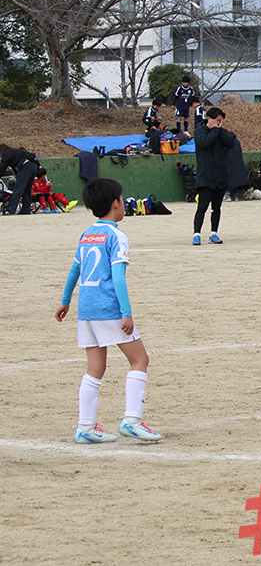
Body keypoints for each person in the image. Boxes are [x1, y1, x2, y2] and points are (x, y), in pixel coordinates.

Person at [54, 177, 162, 443]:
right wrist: (126, 312)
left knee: (95, 368)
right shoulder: (116, 235)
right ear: (115, 203)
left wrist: (66, 300)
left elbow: (75, 269)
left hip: (86, 308)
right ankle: (132, 420)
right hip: (108, 308)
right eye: (122, 199)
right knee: (140, 360)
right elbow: (117, 278)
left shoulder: (87, 234)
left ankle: (85, 428)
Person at [192, 106, 236, 245]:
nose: (219, 123)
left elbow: (230, 143)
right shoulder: (199, 131)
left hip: (219, 176)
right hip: (206, 175)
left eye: (221, 120)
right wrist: (216, 130)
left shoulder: (220, 131)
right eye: (217, 120)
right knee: (202, 206)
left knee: (216, 207)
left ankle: (213, 233)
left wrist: (219, 130)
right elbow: (205, 142)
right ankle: (197, 234)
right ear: (209, 118)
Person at [0, 144, 40, 215]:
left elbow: (2, 167)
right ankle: (26, 209)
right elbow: (15, 168)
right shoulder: (14, 152)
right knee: (26, 190)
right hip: (34, 167)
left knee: (18, 189)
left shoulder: (7, 153)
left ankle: (10, 209)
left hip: (26, 167)